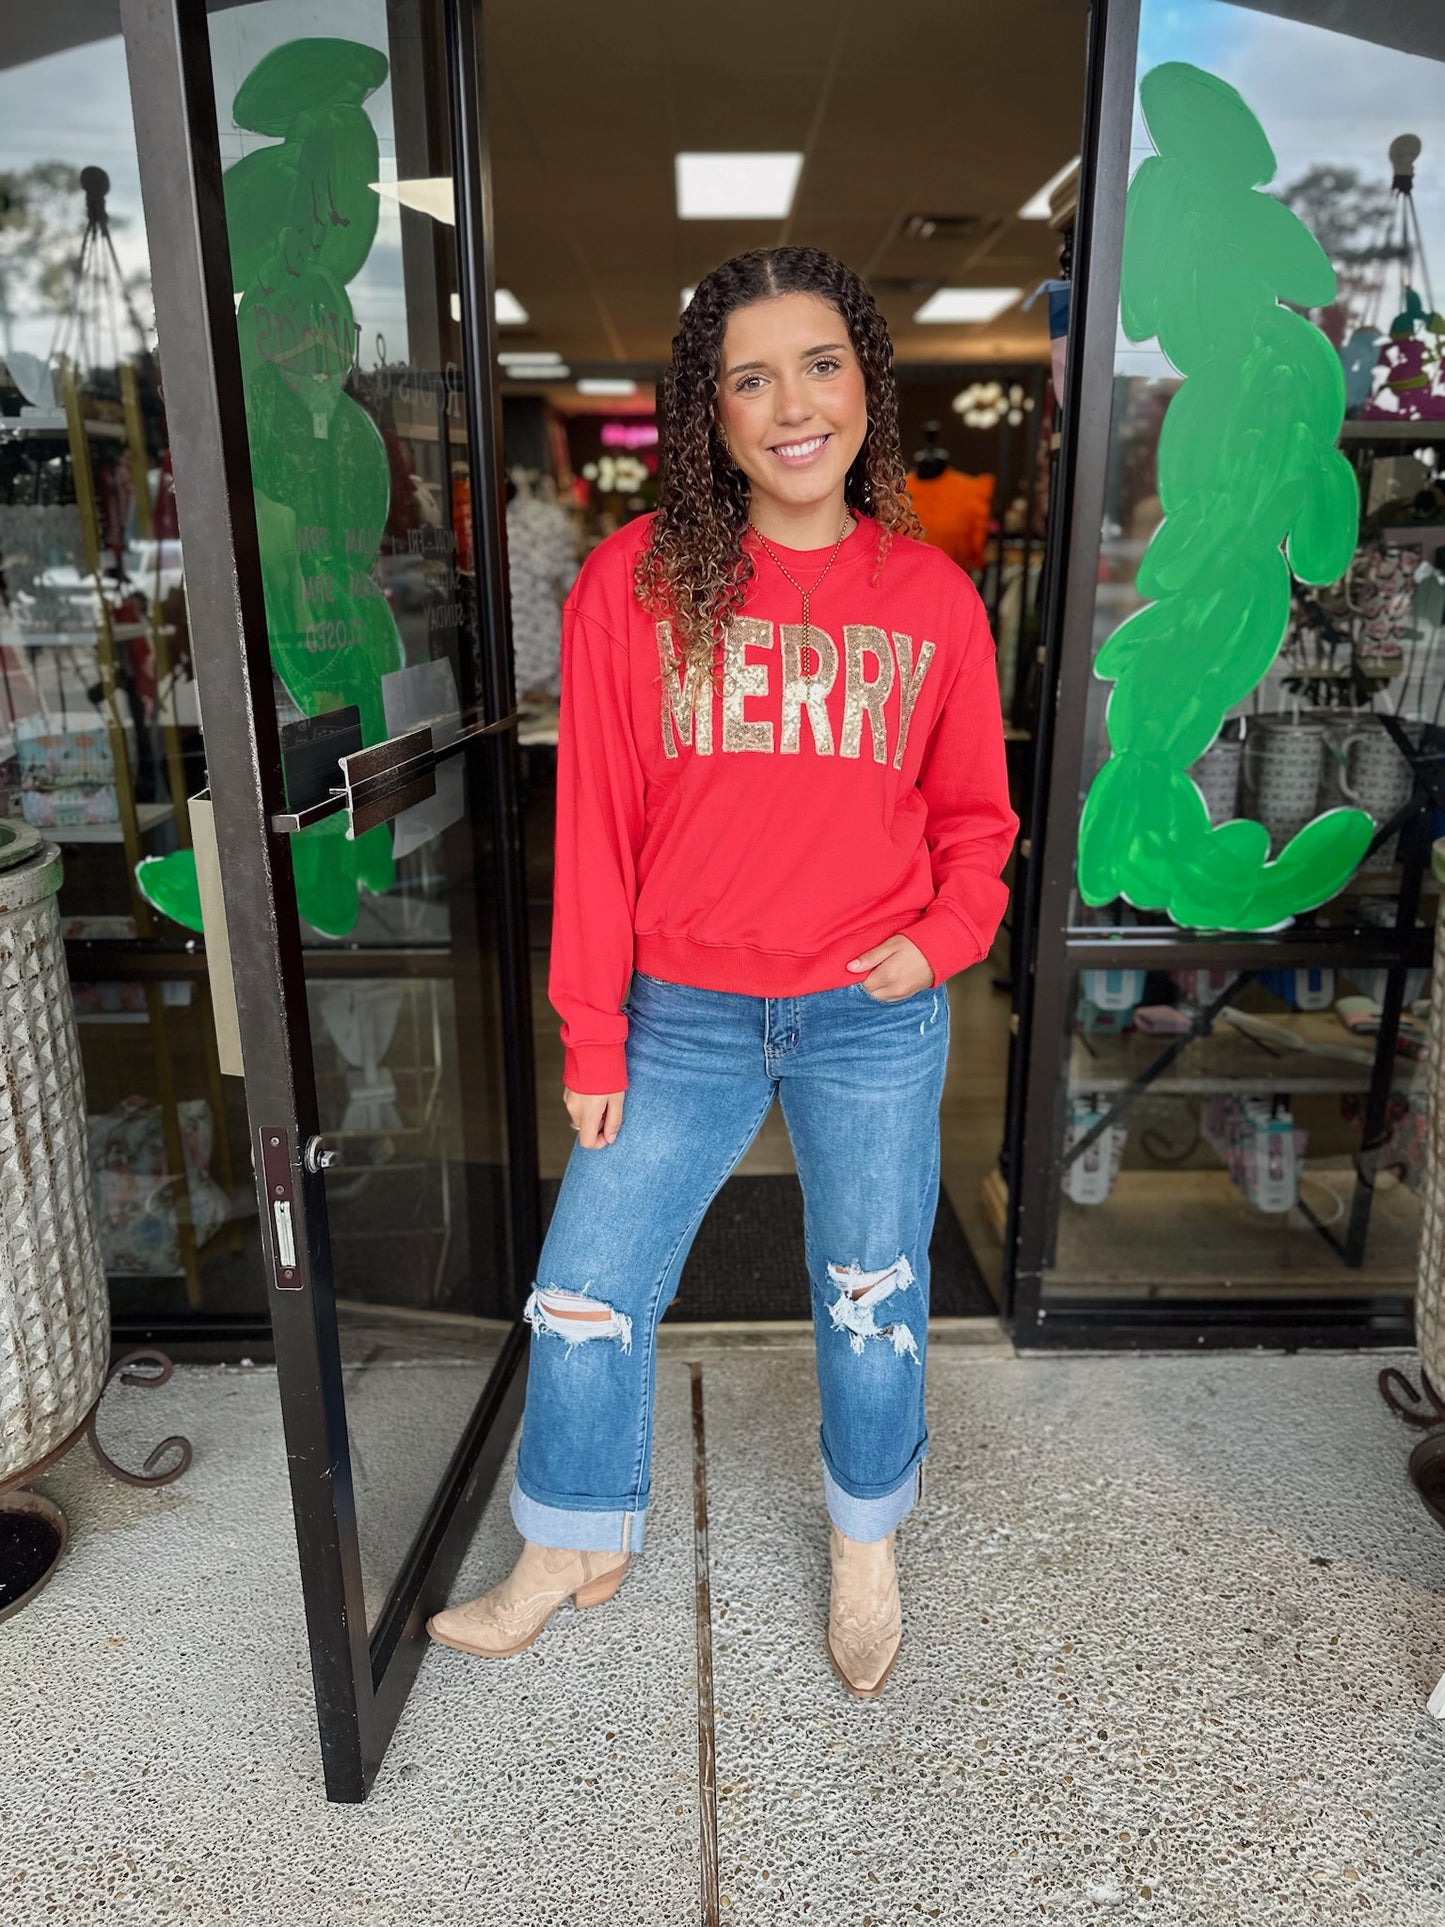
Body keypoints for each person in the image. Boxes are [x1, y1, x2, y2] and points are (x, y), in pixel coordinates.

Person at [427, 246, 1018, 1698]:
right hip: (678, 1014)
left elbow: (974, 821)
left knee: (872, 1293)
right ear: (710, 412)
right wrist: (591, 1033)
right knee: (584, 1290)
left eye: (820, 365)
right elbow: (595, 831)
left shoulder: (933, 599)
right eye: (751, 379)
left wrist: (941, 939)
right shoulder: (634, 583)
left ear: (867, 385)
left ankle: (865, 1544)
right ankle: (567, 1543)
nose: (793, 406)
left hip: (867, 1012)